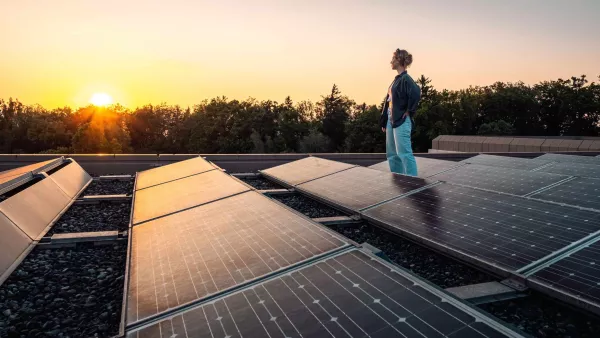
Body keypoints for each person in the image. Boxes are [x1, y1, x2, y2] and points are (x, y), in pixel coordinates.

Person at [379, 48, 421, 176]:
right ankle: (399, 180)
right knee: (392, 154)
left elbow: (416, 92)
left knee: (404, 153)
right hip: (391, 121)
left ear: (399, 60)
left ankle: (412, 183)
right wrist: (384, 120)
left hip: (401, 121)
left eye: (393, 59)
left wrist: (409, 110)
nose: (390, 61)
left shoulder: (406, 78)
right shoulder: (396, 80)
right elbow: (389, 102)